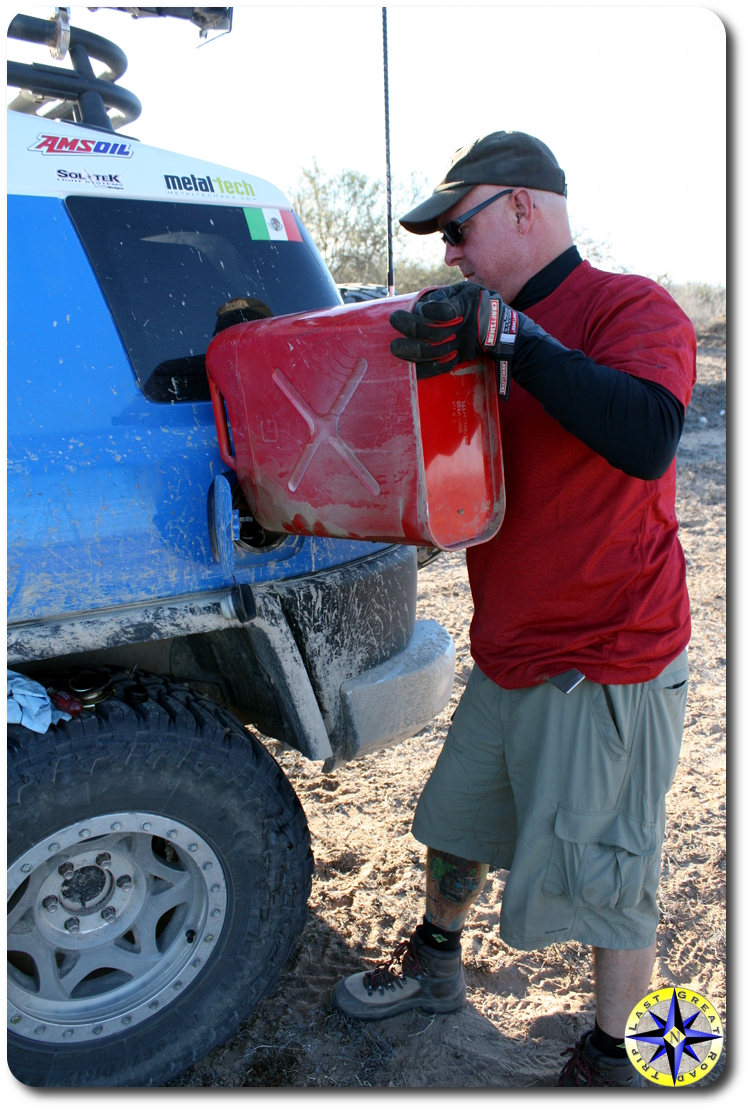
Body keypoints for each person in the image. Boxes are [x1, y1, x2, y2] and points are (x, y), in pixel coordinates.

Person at [332, 131, 696, 1088]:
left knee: (613, 874)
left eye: (457, 229)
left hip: (604, 658)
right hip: (509, 649)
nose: (447, 253)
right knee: (456, 823)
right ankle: (437, 966)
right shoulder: (472, 328)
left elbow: (648, 438)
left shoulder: (628, 306)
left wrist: (521, 344)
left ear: (522, 208)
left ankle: (619, 1058)